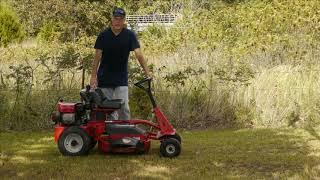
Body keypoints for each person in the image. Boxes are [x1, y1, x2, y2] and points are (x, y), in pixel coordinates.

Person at [90, 7, 151, 120]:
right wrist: (93, 76)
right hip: (104, 79)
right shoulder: (103, 36)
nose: (118, 21)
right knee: (106, 110)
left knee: (124, 108)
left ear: (124, 21)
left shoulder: (130, 36)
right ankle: (109, 136)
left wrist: (147, 72)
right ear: (112, 19)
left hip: (121, 79)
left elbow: (139, 55)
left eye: (120, 19)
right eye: (116, 18)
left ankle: (126, 135)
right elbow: (97, 58)